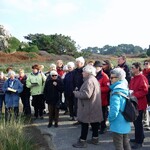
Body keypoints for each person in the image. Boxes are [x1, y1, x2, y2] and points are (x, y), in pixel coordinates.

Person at [72, 65, 103, 148]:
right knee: (94, 122)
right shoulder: (94, 79)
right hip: (93, 105)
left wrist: (76, 93)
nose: (82, 73)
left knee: (84, 123)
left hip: (88, 106)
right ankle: (95, 139)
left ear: (88, 73)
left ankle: (82, 141)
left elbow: (87, 95)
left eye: (84, 71)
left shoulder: (89, 81)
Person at [108, 68, 131, 150]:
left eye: (112, 77)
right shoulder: (125, 87)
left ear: (118, 78)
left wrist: (110, 119)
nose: (110, 79)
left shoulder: (116, 91)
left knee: (118, 145)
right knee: (126, 143)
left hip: (117, 122)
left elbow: (114, 110)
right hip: (125, 119)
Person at [129, 62, 149, 149]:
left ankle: (139, 141)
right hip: (135, 103)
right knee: (136, 122)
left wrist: (134, 95)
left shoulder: (142, 77)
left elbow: (144, 91)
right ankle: (140, 137)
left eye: (133, 67)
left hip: (139, 104)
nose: (131, 69)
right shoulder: (134, 78)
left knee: (137, 123)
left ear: (137, 68)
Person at [93, 61, 110, 134]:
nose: (95, 68)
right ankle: (97, 126)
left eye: (96, 67)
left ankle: (103, 127)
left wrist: (98, 89)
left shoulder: (104, 76)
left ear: (100, 68)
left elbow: (107, 88)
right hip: (96, 99)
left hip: (103, 99)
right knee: (96, 113)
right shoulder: (94, 75)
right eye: (95, 67)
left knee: (103, 114)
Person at [72, 56, 85, 125]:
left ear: (82, 63)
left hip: (83, 90)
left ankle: (84, 121)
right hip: (76, 90)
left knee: (83, 106)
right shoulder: (75, 71)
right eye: (76, 62)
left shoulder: (85, 70)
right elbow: (73, 80)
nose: (77, 63)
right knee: (77, 105)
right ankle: (79, 119)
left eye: (78, 62)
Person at [142, 59, 150, 130]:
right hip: (145, 93)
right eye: (144, 64)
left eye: (147, 63)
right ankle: (146, 121)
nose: (145, 65)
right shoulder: (143, 73)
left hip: (149, 92)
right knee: (145, 108)